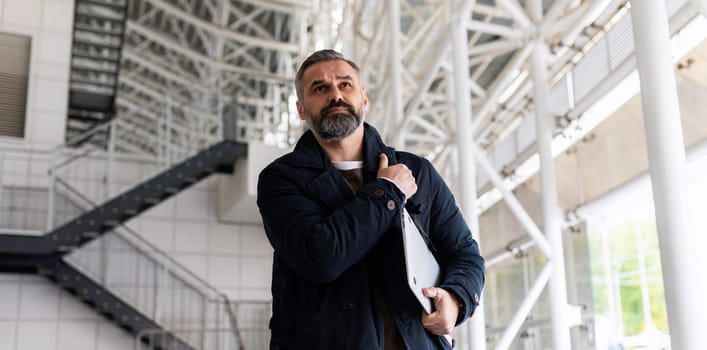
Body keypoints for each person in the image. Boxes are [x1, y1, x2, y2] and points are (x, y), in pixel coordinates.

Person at [257, 49, 485, 350]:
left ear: (363, 98)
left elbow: (465, 253)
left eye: (345, 84)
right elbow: (320, 258)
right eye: (320, 88)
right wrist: (387, 191)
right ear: (301, 109)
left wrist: (456, 298)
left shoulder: (418, 171)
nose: (335, 95)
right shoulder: (281, 179)